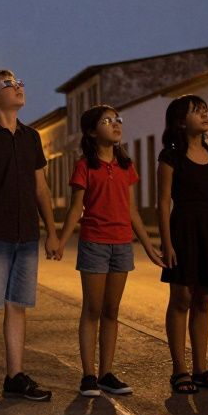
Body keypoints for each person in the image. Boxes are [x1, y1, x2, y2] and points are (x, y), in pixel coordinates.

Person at [0, 70, 59, 406]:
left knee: (18, 307)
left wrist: (52, 231)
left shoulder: (31, 137)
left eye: (20, 81)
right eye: (8, 84)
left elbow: (41, 188)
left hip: (27, 235)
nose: (18, 86)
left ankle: (15, 376)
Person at [54, 105, 164, 396]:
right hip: (94, 243)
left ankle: (106, 373)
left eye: (117, 120)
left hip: (122, 244)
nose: (115, 125)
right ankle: (88, 375)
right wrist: (61, 240)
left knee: (112, 310)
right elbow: (77, 207)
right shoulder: (85, 165)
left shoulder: (126, 165)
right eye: (107, 121)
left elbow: (132, 211)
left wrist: (150, 249)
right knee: (92, 308)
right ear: (92, 131)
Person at [157, 94, 208, 394]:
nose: (204, 115)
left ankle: (202, 368)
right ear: (180, 121)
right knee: (181, 299)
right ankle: (180, 369)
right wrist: (167, 244)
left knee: (203, 299)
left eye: (205, 110)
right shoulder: (171, 157)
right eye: (196, 111)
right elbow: (163, 203)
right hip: (184, 230)